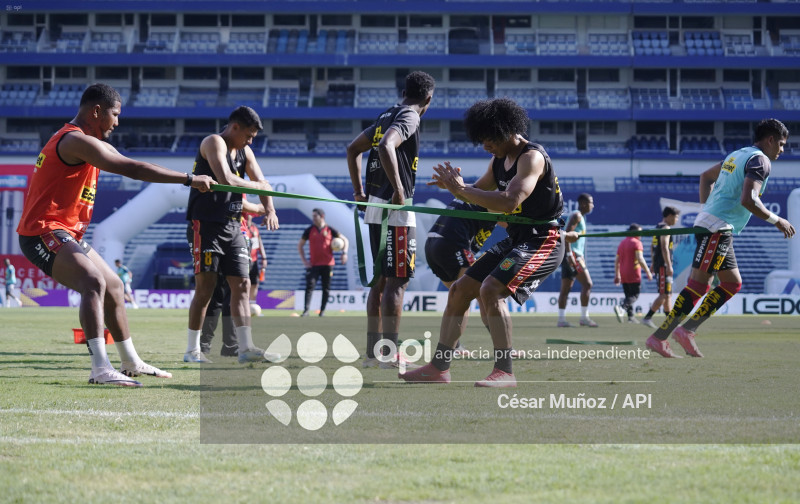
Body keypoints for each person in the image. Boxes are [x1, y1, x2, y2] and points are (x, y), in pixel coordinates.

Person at [16, 82, 215, 386]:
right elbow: (132, 169)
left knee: (114, 286)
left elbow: (131, 163)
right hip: (42, 231)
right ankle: (100, 368)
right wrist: (189, 179)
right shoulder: (75, 140)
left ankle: (131, 361)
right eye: (115, 114)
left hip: (65, 232)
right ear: (97, 111)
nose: (117, 122)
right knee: (92, 282)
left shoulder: (90, 143)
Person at [400, 97, 565, 387]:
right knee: (460, 290)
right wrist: (456, 188)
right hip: (517, 238)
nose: (485, 146)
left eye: (489, 139)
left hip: (544, 240)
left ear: (506, 131)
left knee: (491, 289)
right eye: (482, 140)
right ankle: (439, 368)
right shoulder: (499, 159)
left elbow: (510, 200)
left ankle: (505, 371)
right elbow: (478, 192)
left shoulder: (532, 157)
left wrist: (462, 190)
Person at [646, 118, 794, 358]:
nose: (782, 150)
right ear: (770, 140)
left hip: (717, 225)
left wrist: (706, 210)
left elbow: (706, 176)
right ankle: (660, 337)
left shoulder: (737, 155)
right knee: (699, 285)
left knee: (732, 283)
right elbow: (749, 200)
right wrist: (778, 220)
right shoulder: (761, 161)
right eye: (781, 144)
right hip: (718, 227)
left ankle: (686, 330)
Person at [346, 70, 436, 369]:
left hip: (376, 206)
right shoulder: (410, 116)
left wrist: (359, 192)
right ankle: (388, 355)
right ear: (428, 98)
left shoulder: (386, 115)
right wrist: (398, 189)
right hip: (395, 209)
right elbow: (386, 145)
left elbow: (353, 149)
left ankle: (373, 355)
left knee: (381, 281)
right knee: (397, 282)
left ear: (404, 92)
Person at [184, 105, 280, 364]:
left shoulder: (245, 152)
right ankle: (192, 350)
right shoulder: (213, 142)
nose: (250, 141)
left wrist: (269, 209)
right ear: (235, 127)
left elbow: (263, 182)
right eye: (248, 135)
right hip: (206, 225)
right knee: (206, 288)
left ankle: (245, 348)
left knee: (243, 285)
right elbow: (225, 178)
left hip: (234, 226)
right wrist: (258, 186)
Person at [424, 199, 496, 356]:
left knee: (457, 298)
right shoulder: (496, 196)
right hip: (451, 243)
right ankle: (504, 346)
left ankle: (452, 347)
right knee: (473, 297)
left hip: (432, 245)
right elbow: (508, 216)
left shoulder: (473, 193)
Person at [198, 200, 266, 357]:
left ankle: (229, 345)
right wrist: (262, 208)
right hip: (221, 238)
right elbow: (249, 205)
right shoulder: (230, 197)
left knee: (232, 297)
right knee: (216, 297)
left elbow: (257, 208)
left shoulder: (252, 227)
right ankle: (205, 343)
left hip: (240, 246)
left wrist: (267, 209)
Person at [298, 208, 348, 317]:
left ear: (322, 216)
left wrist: (344, 253)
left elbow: (345, 240)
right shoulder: (309, 230)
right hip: (313, 265)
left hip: (328, 265)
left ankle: (322, 311)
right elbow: (300, 245)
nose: (313, 218)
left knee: (326, 288)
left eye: (315, 216)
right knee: (310, 286)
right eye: (313, 216)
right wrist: (304, 261)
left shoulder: (330, 229)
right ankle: (306, 311)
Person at [557, 193, 598, 328]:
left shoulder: (581, 217)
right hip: (573, 255)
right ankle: (584, 318)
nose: (593, 205)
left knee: (566, 289)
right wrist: (570, 255)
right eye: (591, 202)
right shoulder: (577, 215)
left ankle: (561, 320)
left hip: (572, 255)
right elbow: (567, 235)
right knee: (587, 284)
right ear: (584, 204)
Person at [642, 206, 680, 328]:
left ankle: (670, 321)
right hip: (663, 266)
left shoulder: (658, 227)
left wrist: (653, 263)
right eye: (676, 217)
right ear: (669, 216)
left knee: (668, 294)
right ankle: (647, 317)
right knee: (664, 294)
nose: (676, 220)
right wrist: (668, 265)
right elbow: (664, 247)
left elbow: (653, 246)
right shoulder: (665, 228)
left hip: (660, 264)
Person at [613, 224, 653, 323]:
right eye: (639, 232)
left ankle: (630, 317)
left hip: (623, 273)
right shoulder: (637, 243)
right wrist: (648, 271)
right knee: (635, 295)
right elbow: (640, 258)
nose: (640, 234)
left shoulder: (622, 243)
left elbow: (617, 260)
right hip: (633, 272)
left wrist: (617, 274)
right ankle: (621, 308)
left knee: (628, 296)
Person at [246, 211, 268, 307]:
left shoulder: (254, 228)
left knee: (255, 283)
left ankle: (252, 305)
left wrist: (264, 258)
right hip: (243, 260)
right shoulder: (240, 227)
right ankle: (244, 304)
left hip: (253, 260)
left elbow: (258, 243)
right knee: (244, 283)